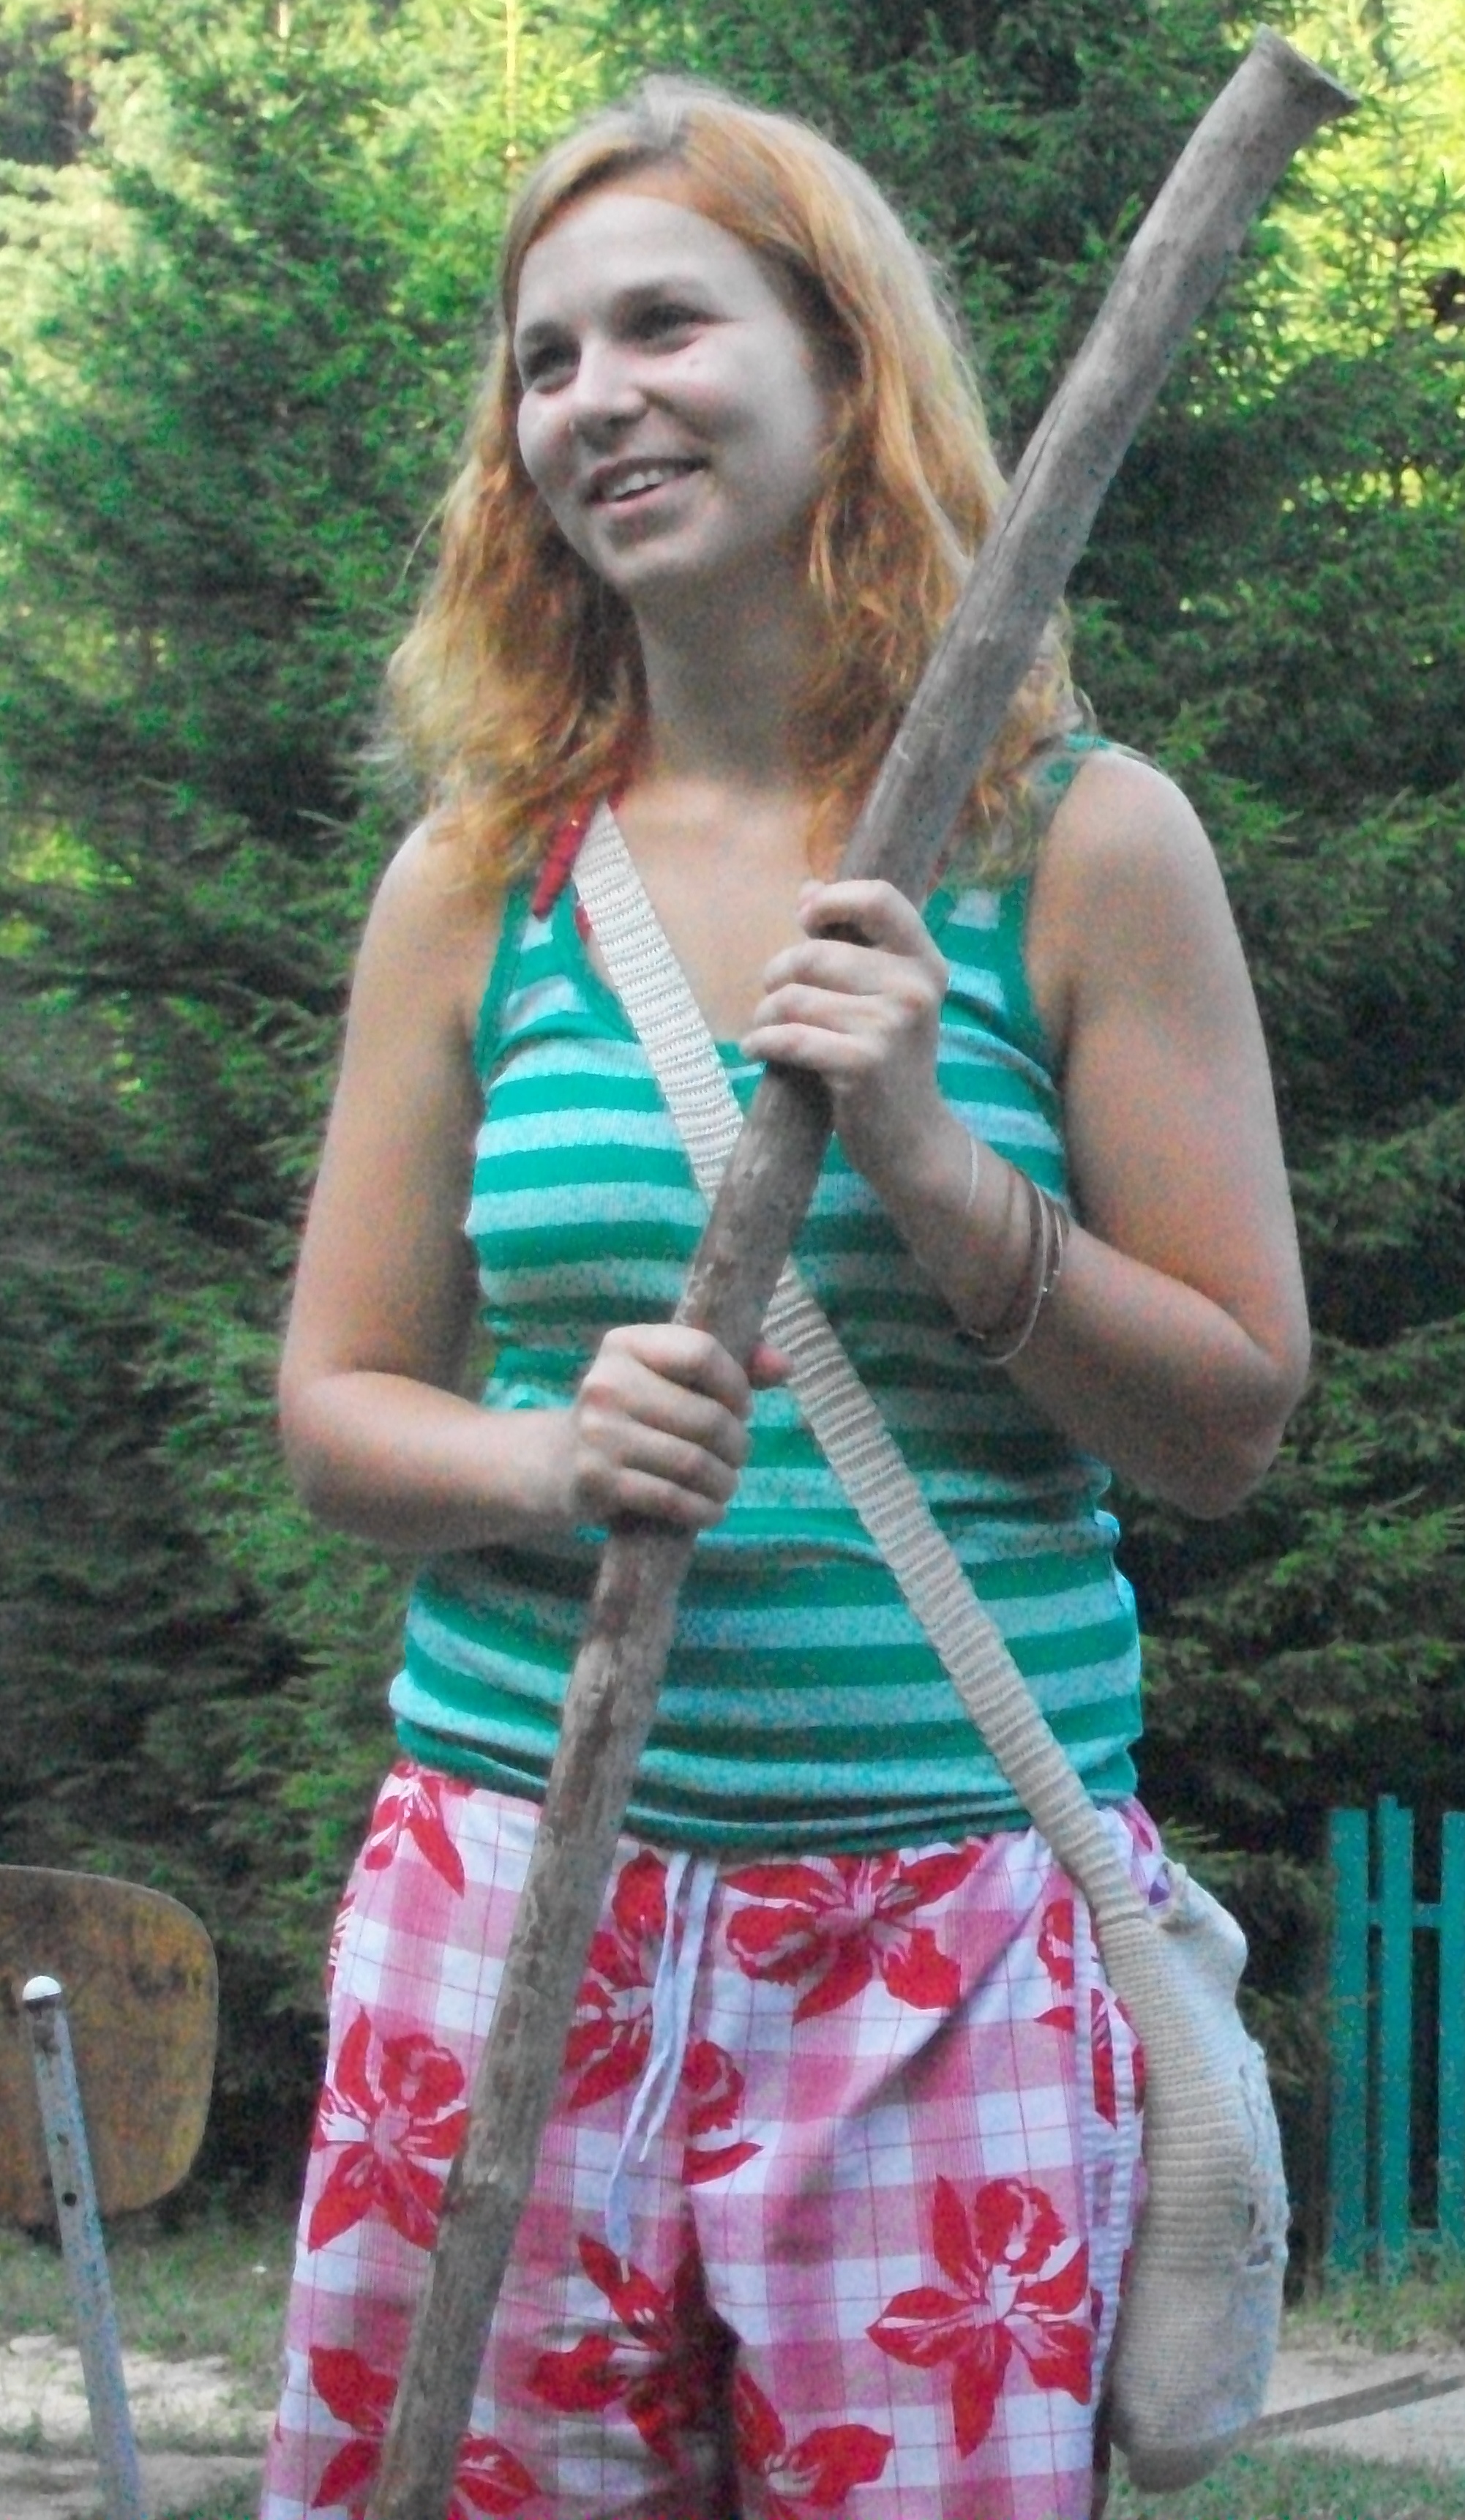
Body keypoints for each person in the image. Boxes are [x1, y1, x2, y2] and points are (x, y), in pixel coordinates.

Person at [260, 73, 1310, 2520]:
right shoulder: (483, 878)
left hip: (935, 1942)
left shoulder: (1079, 843)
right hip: (509, 1898)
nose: (593, 398)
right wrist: (547, 1456)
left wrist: (933, 1163)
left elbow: (1226, 1421)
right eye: (544, 357)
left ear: (841, 366)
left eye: (665, 325)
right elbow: (335, 1409)